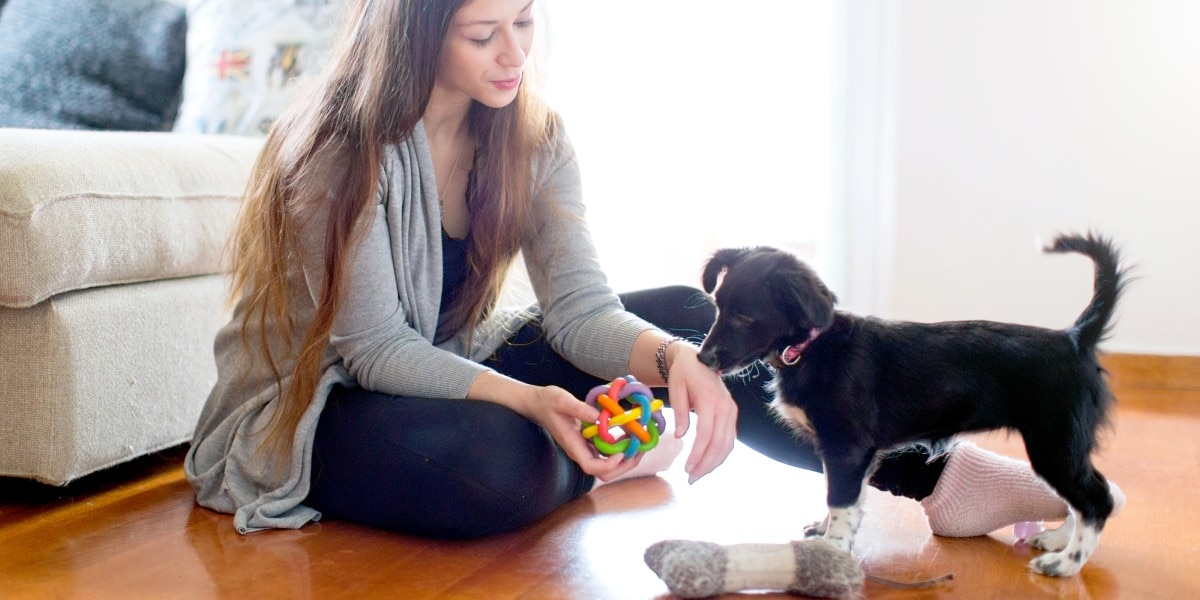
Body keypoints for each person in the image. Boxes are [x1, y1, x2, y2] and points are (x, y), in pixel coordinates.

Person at [184, 0, 1121, 540]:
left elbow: (580, 307)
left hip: (450, 369)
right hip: (324, 404)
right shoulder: (338, 153)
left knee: (686, 326)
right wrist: (535, 403)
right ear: (419, 32)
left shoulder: (531, 137)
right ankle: (608, 452)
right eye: (484, 33)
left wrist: (674, 364)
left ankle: (936, 476)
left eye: (526, 19)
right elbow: (379, 347)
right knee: (493, 470)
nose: (515, 54)